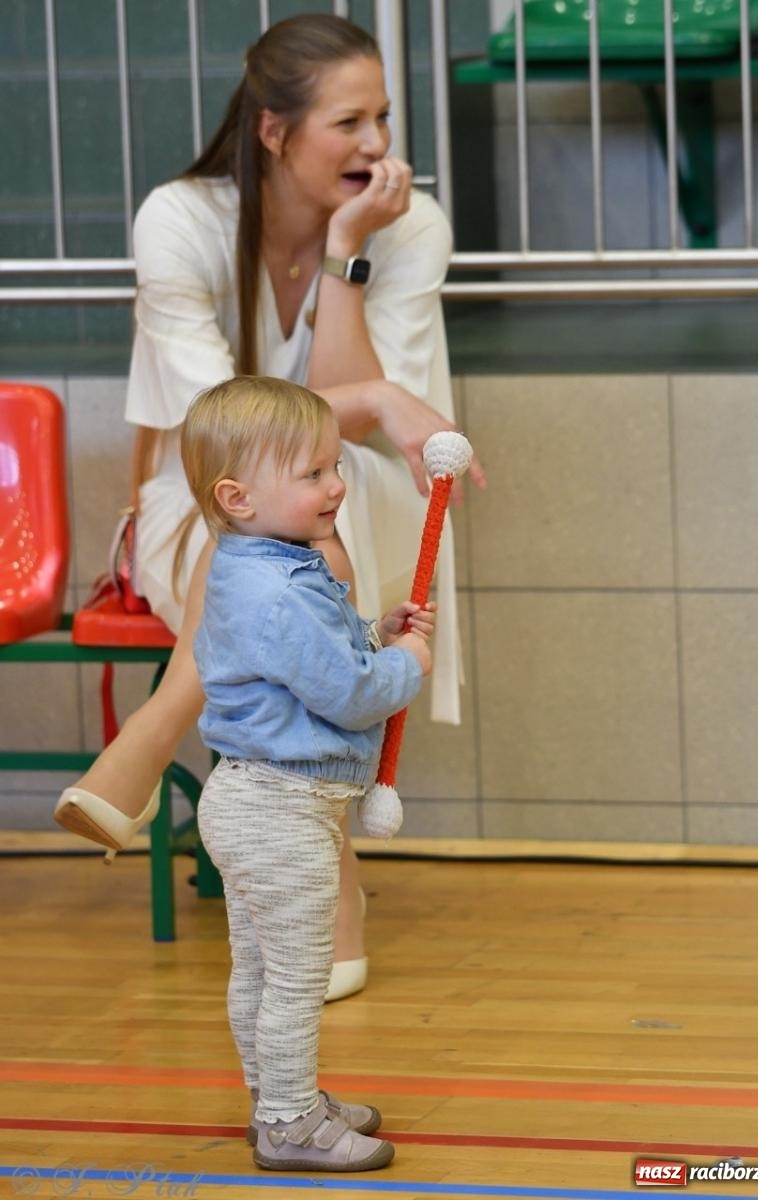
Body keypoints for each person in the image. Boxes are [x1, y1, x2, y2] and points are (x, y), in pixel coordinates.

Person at [53, 12, 486, 1001]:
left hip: (322, 516)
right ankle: (333, 880)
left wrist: (342, 250)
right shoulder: (179, 219)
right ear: (273, 131)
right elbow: (221, 434)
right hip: (193, 502)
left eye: (382, 117)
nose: (378, 146)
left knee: (328, 507)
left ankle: (152, 741)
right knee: (274, 537)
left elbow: (359, 437)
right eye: (349, 123)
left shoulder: (404, 224)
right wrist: (373, 400)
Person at [184, 374, 435, 1172]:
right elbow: (348, 694)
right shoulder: (275, 589)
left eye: (334, 467)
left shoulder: (262, 566)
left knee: (260, 971)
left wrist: (373, 629)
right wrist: (405, 663)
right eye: (313, 474)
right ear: (239, 496)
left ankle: (277, 1100)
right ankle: (290, 1123)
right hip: (277, 809)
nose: (336, 486)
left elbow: (314, 656)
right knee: (295, 978)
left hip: (256, 799)